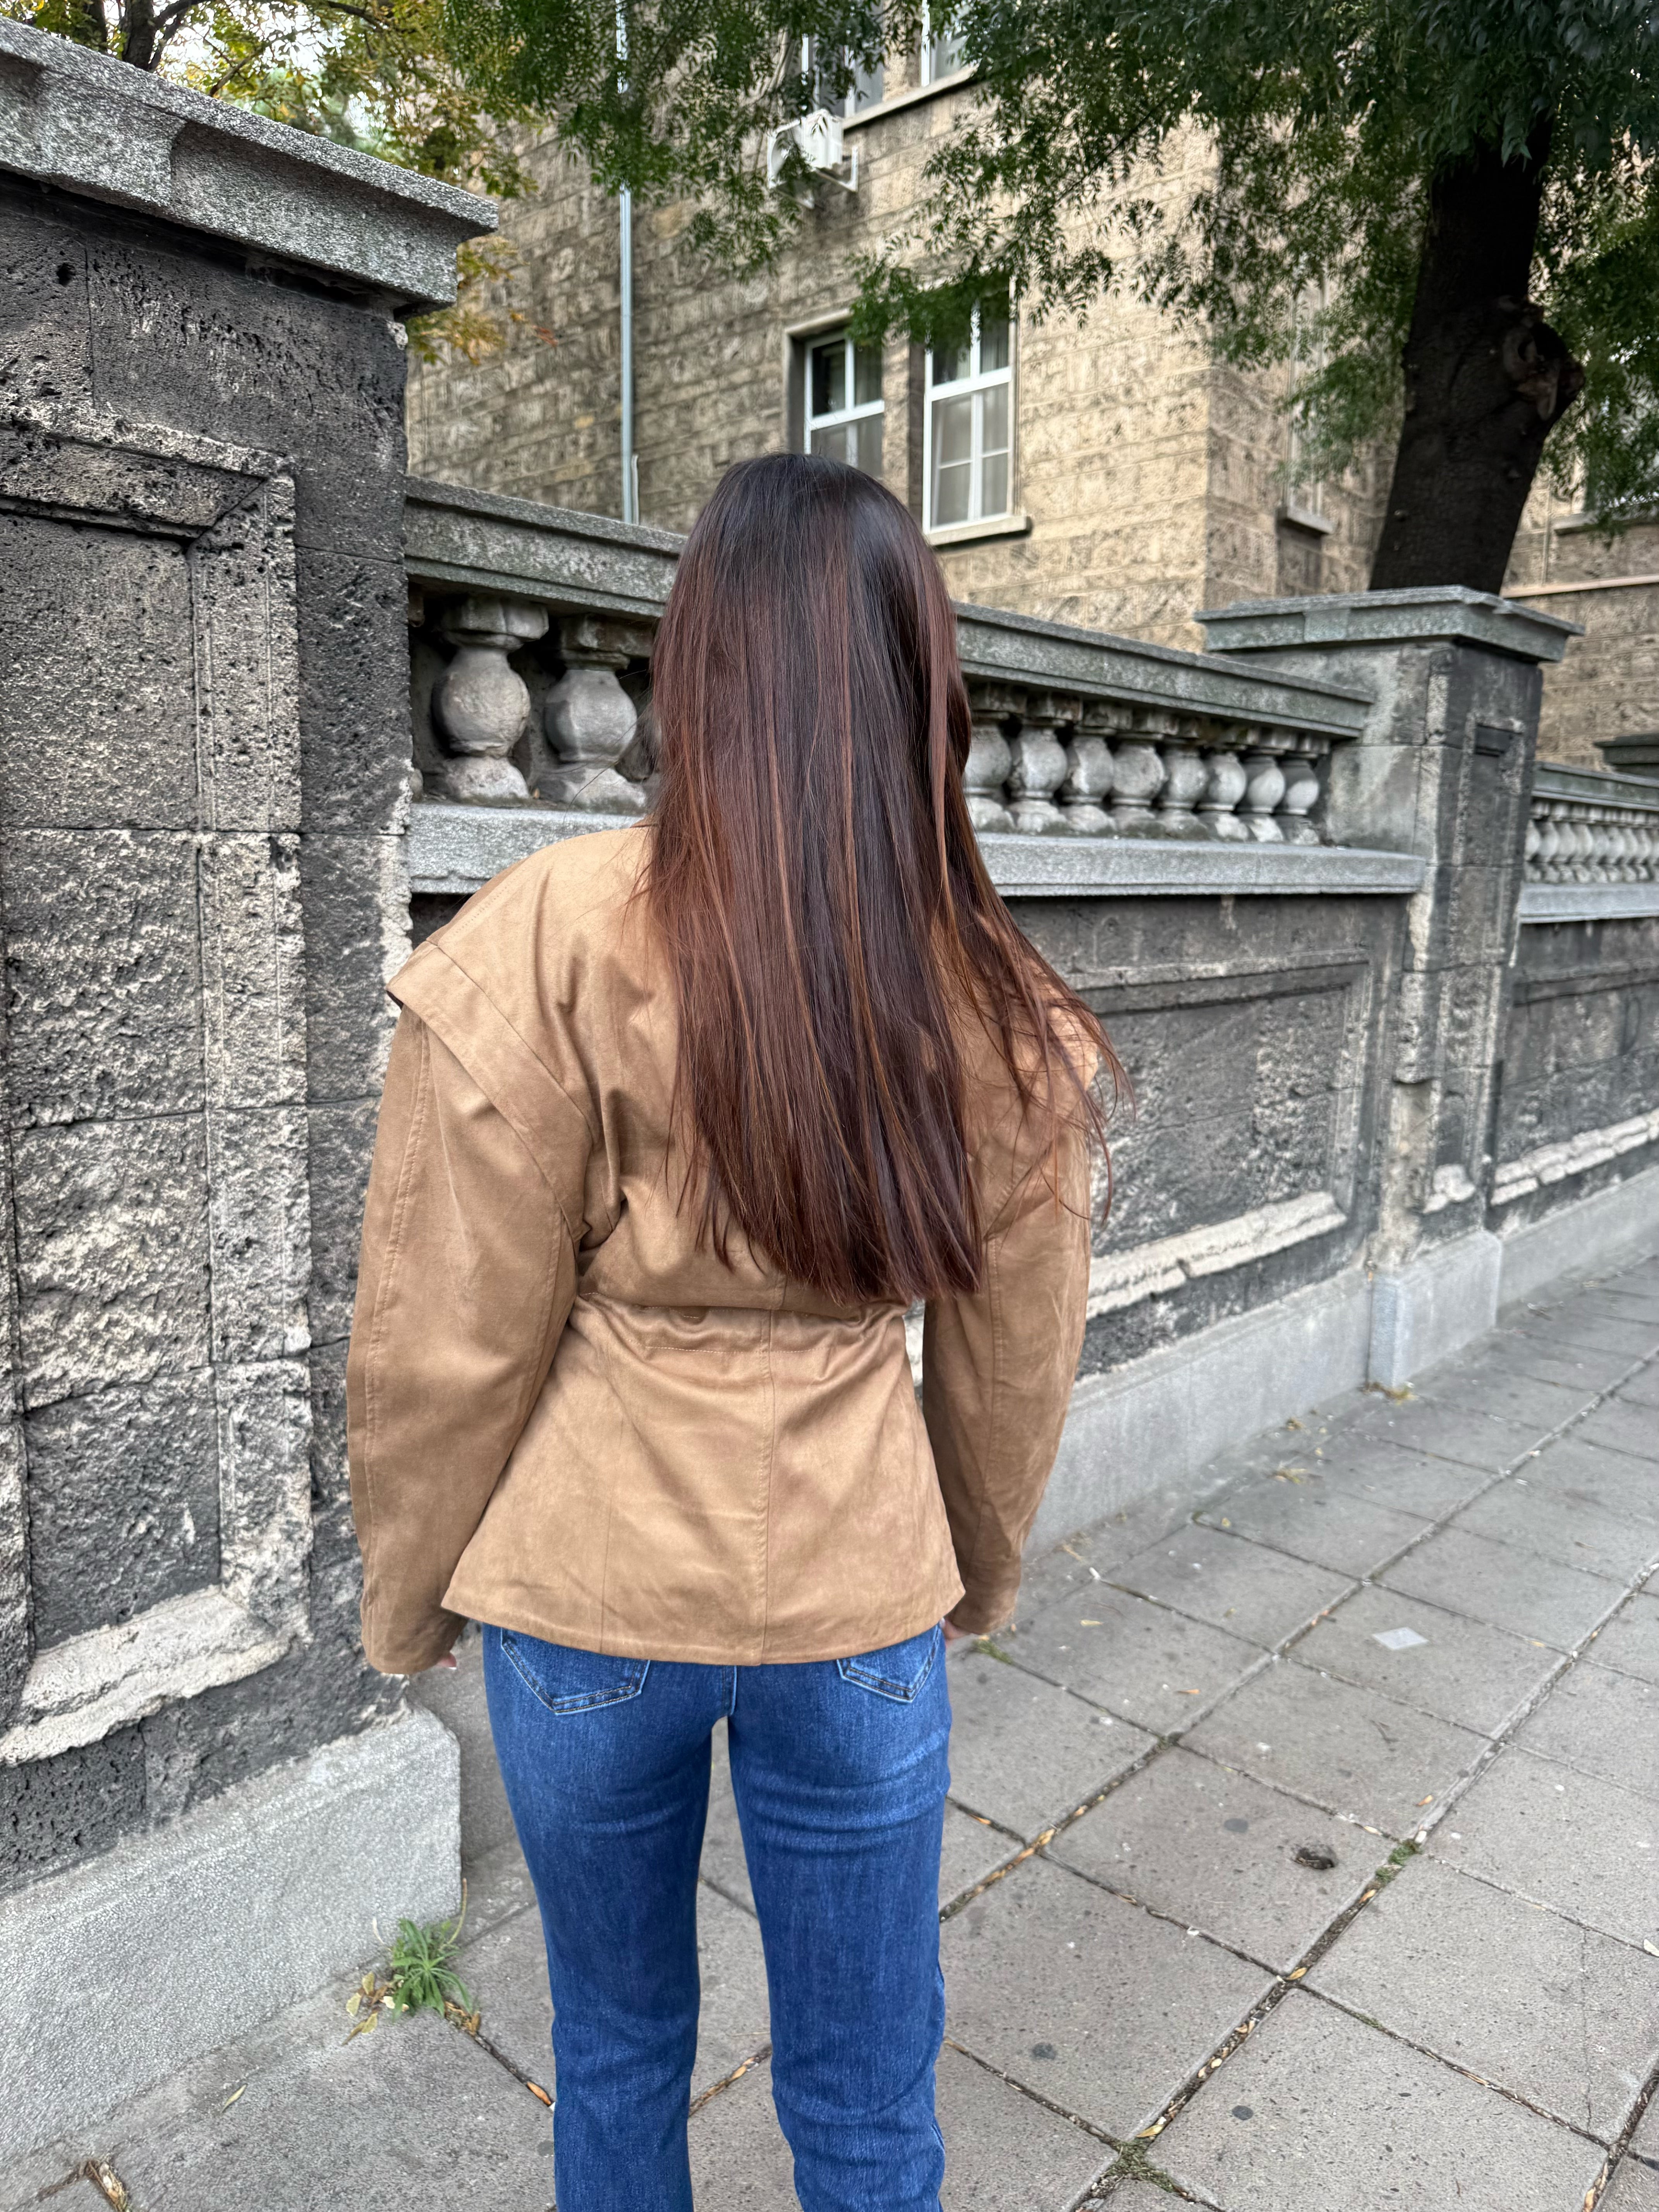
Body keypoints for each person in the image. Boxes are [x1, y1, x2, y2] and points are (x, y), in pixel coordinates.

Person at [346, 452, 1116, 2212]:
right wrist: (972, 1571)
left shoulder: (548, 933)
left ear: (693, 667)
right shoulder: (989, 989)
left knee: (618, 2058)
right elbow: (1012, 1361)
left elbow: (447, 1332)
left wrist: (414, 1595)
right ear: (920, 681)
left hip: (582, 1592)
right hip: (855, 1595)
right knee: (866, 2092)